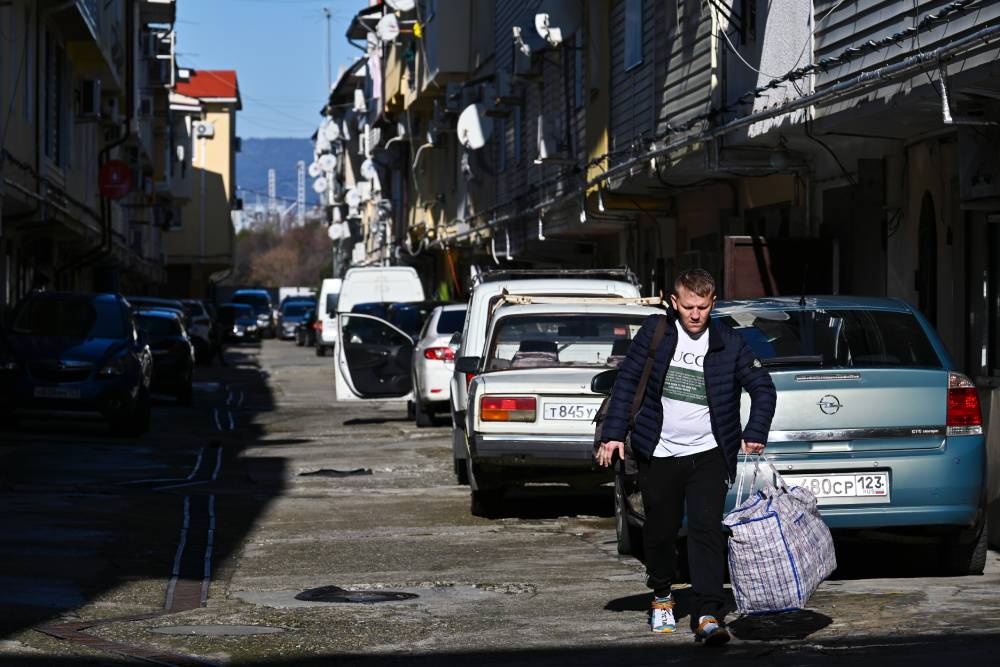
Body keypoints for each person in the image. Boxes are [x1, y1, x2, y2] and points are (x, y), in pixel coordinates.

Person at [596, 268, 776, 645]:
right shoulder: (656, 333)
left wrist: (755, 432)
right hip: (658, 452)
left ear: (713, 304)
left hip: (709, 454)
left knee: (706, 530)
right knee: (660, 531)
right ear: (674, 303)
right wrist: (613, 435)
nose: (695, 315)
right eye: (688, 306)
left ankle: (708, 612)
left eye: (703, 307)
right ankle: (662, 595)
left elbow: (762, 387)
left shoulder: (729, 341)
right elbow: (627, 381)